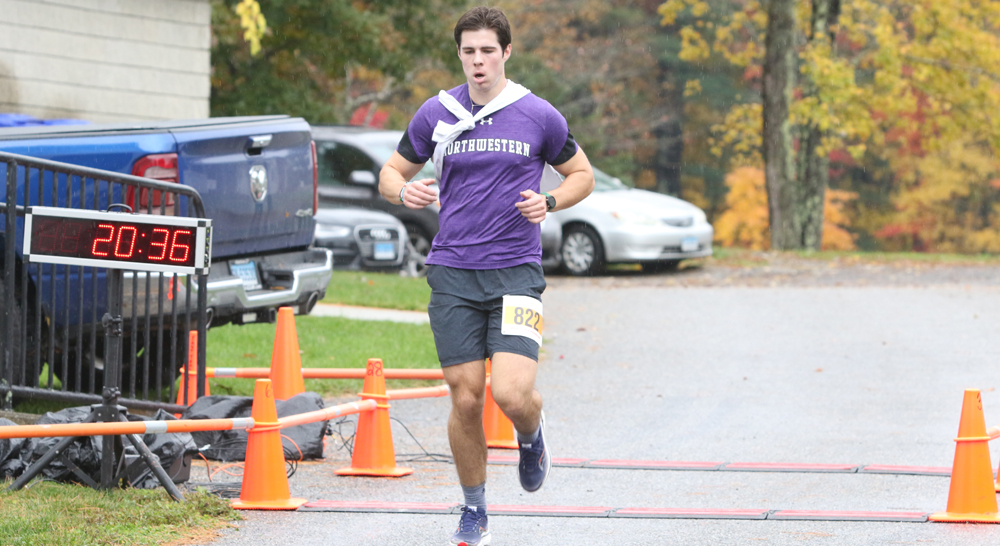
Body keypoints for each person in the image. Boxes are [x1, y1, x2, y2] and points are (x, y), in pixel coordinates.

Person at [379, 6, 594, 545]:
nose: (478, 61)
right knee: (466, 395)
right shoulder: (438, 111)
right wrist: (405, 191)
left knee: (513, 394)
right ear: (460, 54)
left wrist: (549, 201)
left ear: (506, 53)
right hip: (452, 270)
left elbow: (582, 175)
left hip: (516, 272)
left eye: (488, 51)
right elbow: (390, 172)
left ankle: (531, 432)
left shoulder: (537, 114)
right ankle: (474, 508)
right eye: (469, 51)